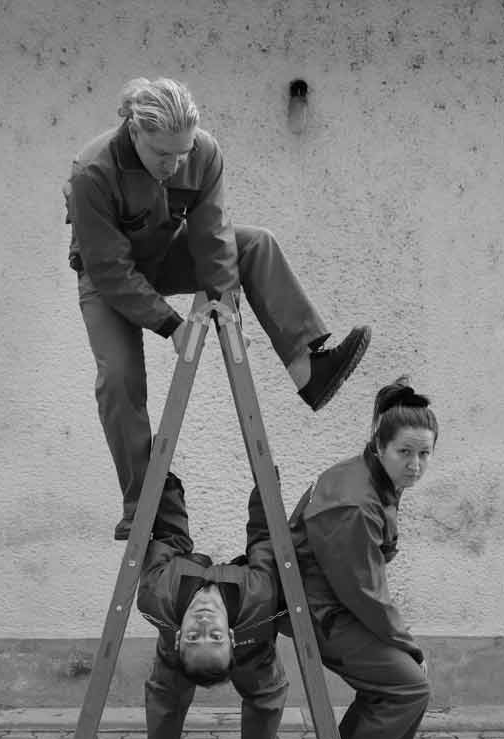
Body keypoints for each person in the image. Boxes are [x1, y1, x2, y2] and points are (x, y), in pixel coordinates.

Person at [65, 76, 372, 540]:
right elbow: (109, 269)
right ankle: (143, 500)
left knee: (255, 244)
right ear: (134, 131)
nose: (175, 164)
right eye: (163, 155)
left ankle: (309, 366)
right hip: (106, 276)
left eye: (183, 152)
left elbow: (213, 235)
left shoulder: (204, 154)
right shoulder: (93, 171)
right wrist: (173, 326)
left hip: (164, 255)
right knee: (119, 378)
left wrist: (225, 305)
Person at [282, 377, 437, 739]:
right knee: (409, 687)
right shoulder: (354, 501)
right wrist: (409, 646)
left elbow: (363, 585)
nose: (415, 465)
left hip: (336, 605)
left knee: (395, 684)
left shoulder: (372, 478)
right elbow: (363, 591)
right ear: (379, 445)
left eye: (424, 454)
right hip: (322, 614)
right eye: (405, 453)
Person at [136, 470, 289, 739]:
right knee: (262, 694)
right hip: (250, 636)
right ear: (230, 637)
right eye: (214, 636)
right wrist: (267, 480)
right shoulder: (260, 595)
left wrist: (166, 480)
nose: (205, 626)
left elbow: (168, 537)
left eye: (195, 635)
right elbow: (265, 539)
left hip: (226, 643)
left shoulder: (157, 596)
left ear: (179, 636)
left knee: (168, 695)